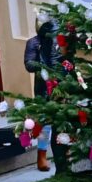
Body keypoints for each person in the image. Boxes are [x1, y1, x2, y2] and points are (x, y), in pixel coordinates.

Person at [23, 19, 62, 172]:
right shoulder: (34, 42)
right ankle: (42, 155)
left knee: (61, 120)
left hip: (60, 85)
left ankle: (63, 153)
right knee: (44, 122)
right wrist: (43, 65)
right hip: (43, 86)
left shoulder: (58, 40)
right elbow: (28, 64)